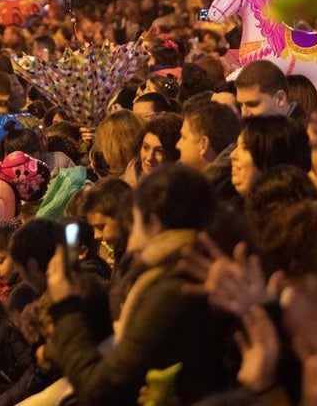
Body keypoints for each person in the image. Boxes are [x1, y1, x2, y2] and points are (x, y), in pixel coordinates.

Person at [46, 165, 234, 404]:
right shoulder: (186, 266)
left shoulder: (175, 288)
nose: (132, 243)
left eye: (133, 224)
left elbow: (100, 389)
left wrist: (65, 307)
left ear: (153, 223)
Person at [230, 115, 311, 197]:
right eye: (236, 146)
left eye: (245, 147)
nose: (232, 155)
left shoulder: (299, 208)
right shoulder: (233, 205)